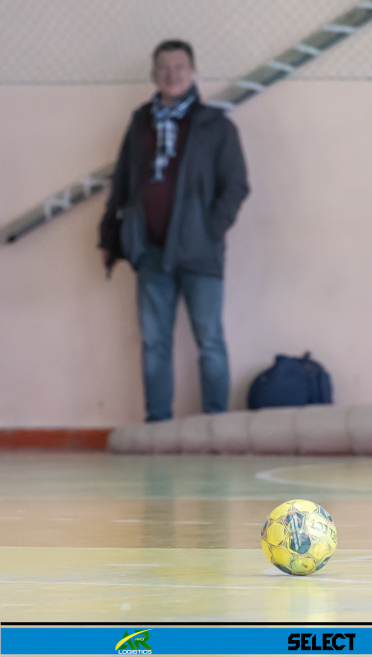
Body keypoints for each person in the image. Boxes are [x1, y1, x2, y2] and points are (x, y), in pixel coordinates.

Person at [98, 39, 249, 422]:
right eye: (164, 67)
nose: (172, 74)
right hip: (150, 253)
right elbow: (122, 183)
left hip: (201, 254)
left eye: (179, 66)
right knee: (154, 344)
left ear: (193, 72)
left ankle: (216, 424)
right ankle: (157, 426)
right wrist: (109, 237)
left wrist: (210, 230)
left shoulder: (216, 126)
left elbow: (236, 185)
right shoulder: (140, 123)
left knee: (210, 341)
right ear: (154, 74)